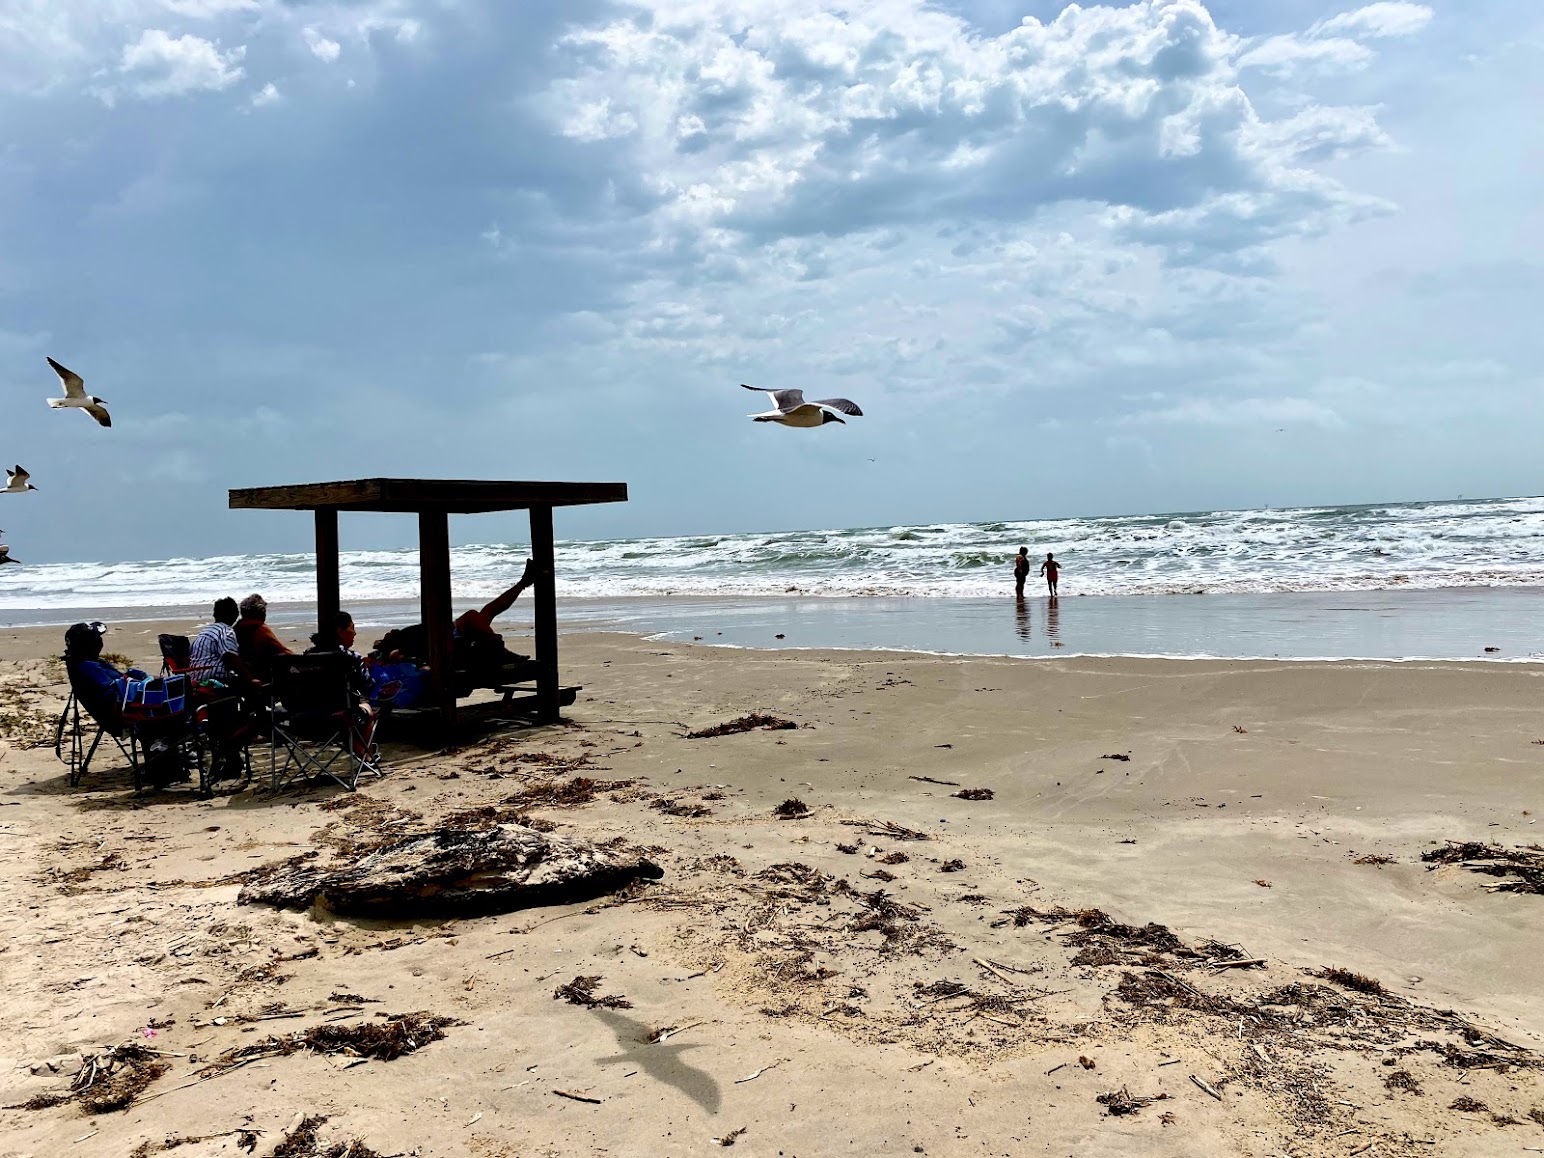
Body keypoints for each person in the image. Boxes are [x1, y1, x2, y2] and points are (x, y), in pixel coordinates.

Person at [305, 610, 378, 757]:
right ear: (340, 631)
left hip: (305, 716)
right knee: (366, 710)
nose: (355, 633)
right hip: (339, 715)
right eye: (352, 628)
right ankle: (365, 754)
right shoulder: (349, 657)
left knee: (346, 712)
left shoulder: (308, 656)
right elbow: (367, 685)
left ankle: (361, 752)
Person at [189, 598, 254, 686]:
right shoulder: (225, 631)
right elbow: (230, 657)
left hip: (195, 680)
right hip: (214, 679)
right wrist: (251, 679)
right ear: (234, 614)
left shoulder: (204, 632)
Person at [235, 593, 293, 682]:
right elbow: (281, 650)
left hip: (243, 672)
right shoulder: (259, 628)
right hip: (261, 673)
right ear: (262, 613)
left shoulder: (236, 628)